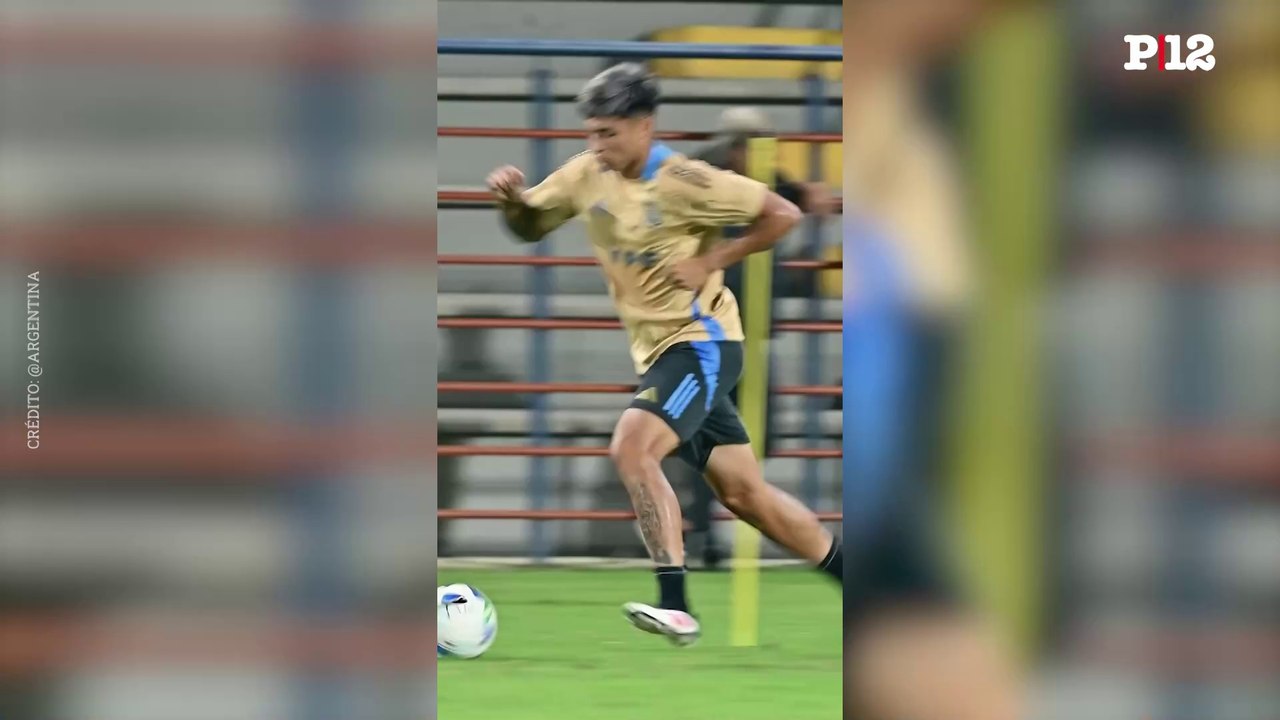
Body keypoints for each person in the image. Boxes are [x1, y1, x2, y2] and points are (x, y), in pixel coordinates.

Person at [485, 63, 842, 646]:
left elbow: (784, 213)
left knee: (631, 446)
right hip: (660, 354)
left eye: (609, 133)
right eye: (591, 132)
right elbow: (529, 227)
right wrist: (510, 202)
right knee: (746, 496)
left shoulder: (688, 181)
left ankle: (675, 603)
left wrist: (712, 261)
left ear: (645, 126)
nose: (595, 146)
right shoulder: (585, 174)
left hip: (701, 345)